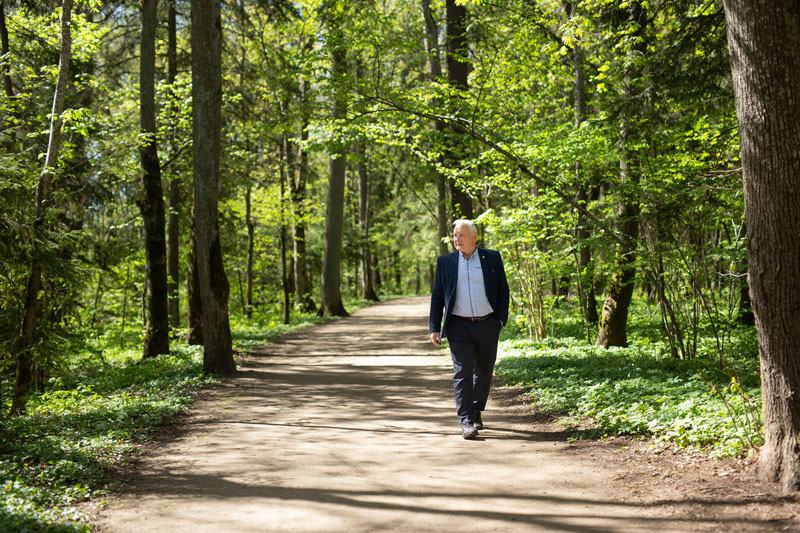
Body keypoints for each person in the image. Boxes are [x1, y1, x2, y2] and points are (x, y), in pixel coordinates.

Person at [429, 219, 509, 439]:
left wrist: (500, 320)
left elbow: (503, 290)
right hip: (458, 325)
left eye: (461, 236)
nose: (457, 239)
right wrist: (434, 327)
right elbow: (438, 295)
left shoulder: (491, 258)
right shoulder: (445, 262)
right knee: (462, 372)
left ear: (474, 237)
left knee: (483, 371)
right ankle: (466, 421)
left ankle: (475, 409)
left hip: (487, 323)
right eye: (455, 236)